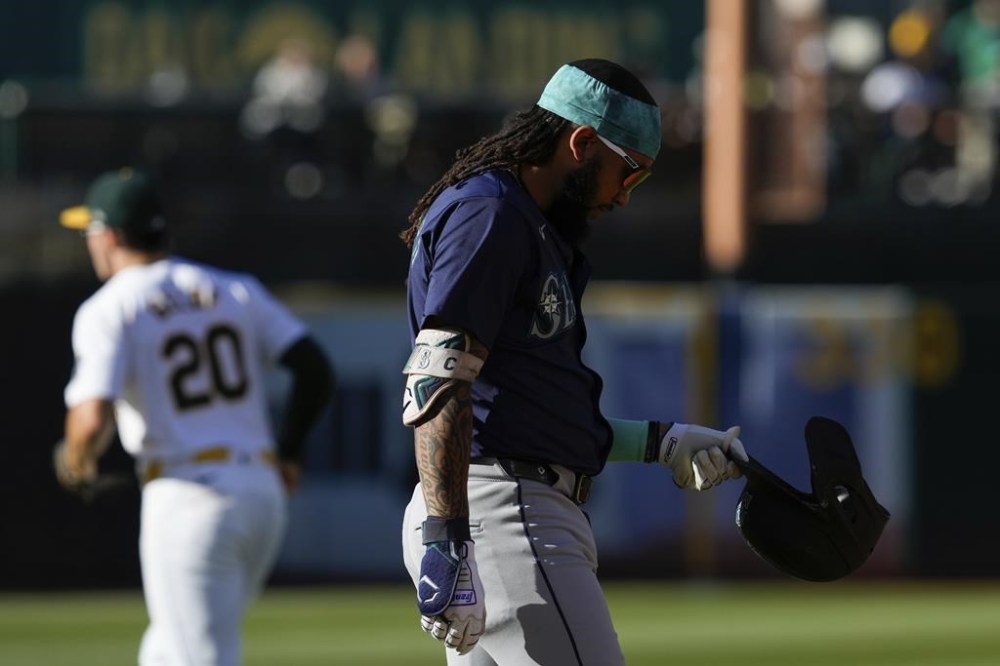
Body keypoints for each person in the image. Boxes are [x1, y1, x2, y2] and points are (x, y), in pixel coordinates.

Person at [399, 58, 749, 665]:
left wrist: (662, 443)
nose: (625, 195)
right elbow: (438, 381)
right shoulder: (492, 214)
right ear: (582, 143)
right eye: (629, 171)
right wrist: (447, 536)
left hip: (496, 507)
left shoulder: (523, 221)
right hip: (501, 512)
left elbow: (528, 410)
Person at [52, 168, 334, 665]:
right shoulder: (234, 288)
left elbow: (91, 418)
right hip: (260, 493)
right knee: (165, 649)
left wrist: (76, 460)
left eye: (89, 231)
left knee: (197, 656)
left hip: (190, 497)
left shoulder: (111, 306)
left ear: (109, 235)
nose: (89, 242)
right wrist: (289, 450)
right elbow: (314, 369)